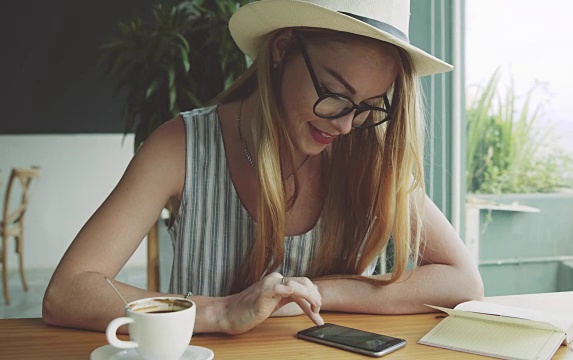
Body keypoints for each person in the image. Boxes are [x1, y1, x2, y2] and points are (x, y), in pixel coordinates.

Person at [43, 0, 483, 335]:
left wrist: (311, 292)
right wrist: (222, 310)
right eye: (333, 93)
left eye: (369, 106)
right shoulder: (181, 147)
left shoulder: (369, 150)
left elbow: (462, 282)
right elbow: (68, 292)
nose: (347, 125)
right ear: (282, 49)